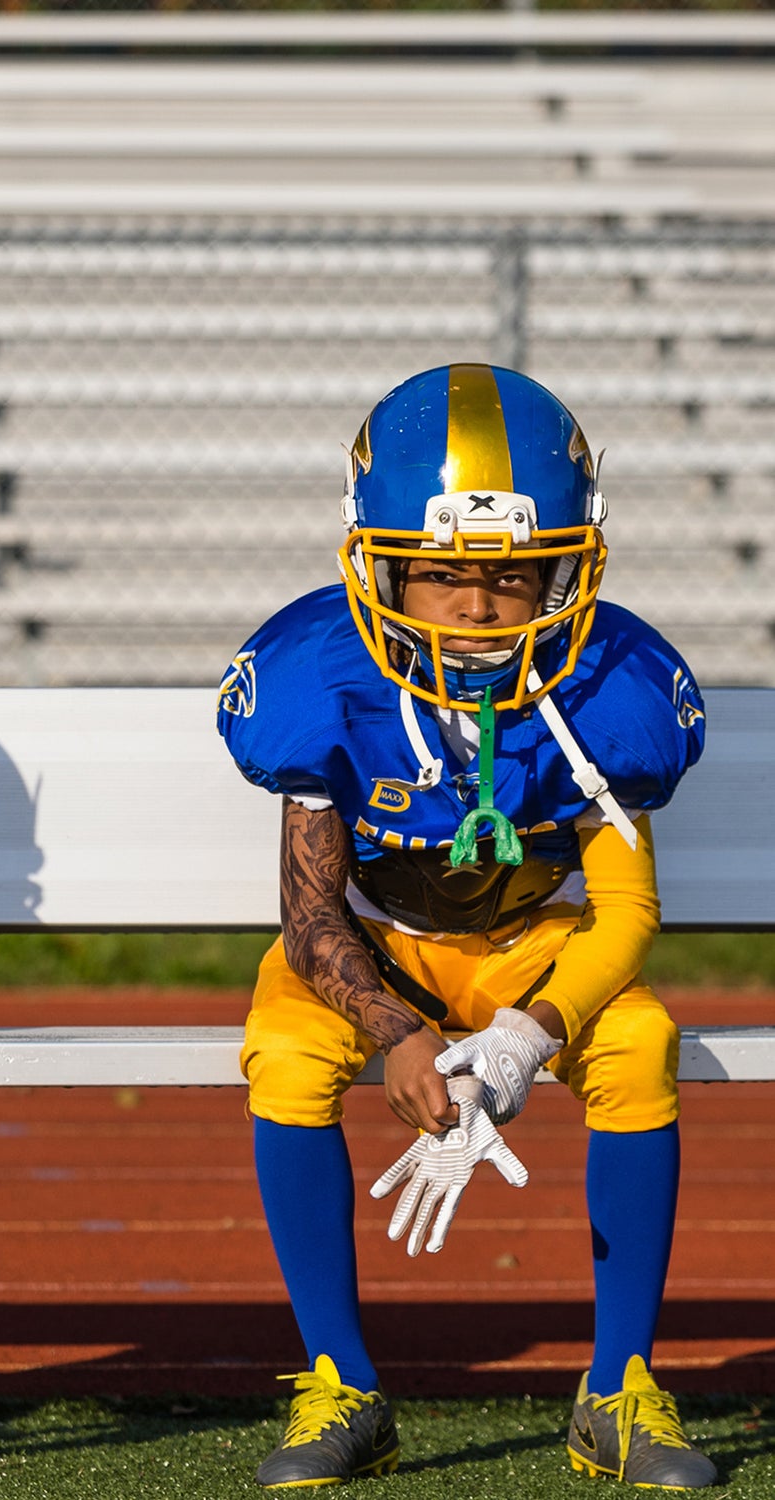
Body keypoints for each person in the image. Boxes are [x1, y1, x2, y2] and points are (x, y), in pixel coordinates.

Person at [217, 364, 716, 1490]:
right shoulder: (322, 678)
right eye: (443, 576)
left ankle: (618, 1387)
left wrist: (526, 1035)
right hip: (382, 943)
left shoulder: (609, 686)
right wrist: (398, 1032)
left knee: (637, 1041)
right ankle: (340, 1381)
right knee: (290, 1051)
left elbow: (627, 912)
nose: (479, 607)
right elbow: (308, 917)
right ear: (378, 558)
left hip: (535, 944)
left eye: (510, 576)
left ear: (567, 566)